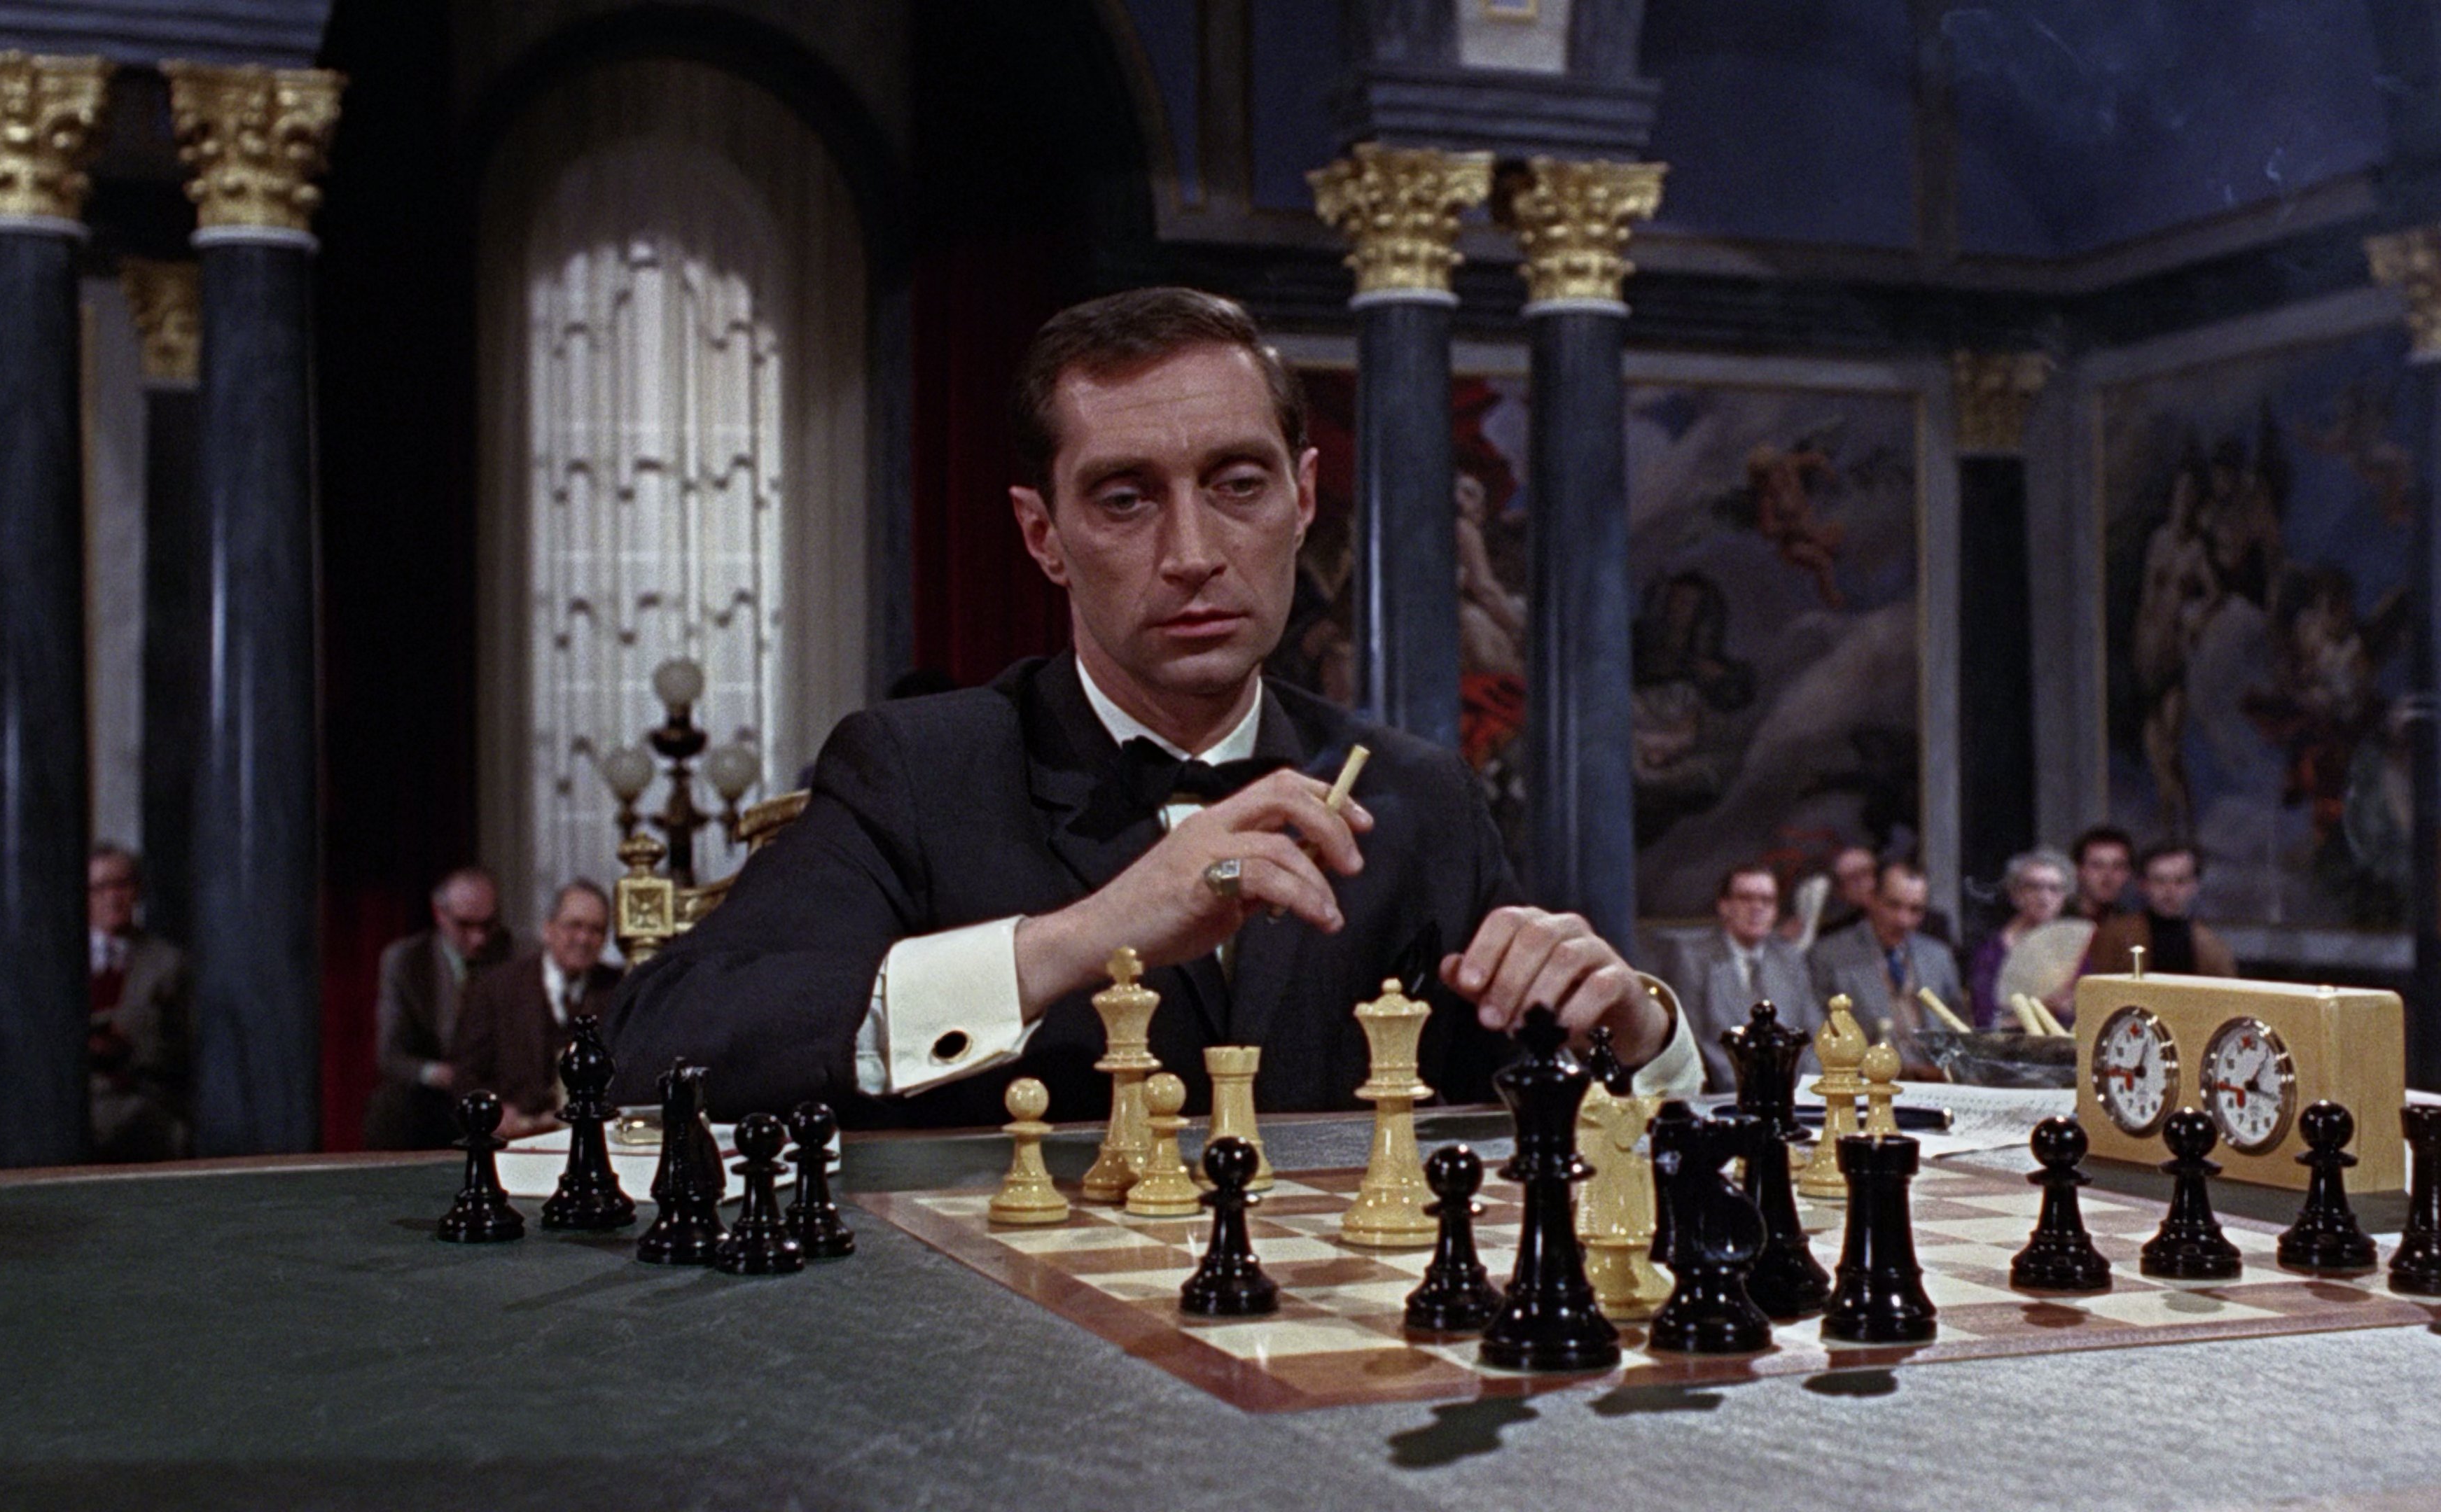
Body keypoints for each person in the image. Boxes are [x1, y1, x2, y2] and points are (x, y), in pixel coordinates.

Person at [604, 286, 1701, 1127]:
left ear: (1302, 500)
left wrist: (1626, 1026)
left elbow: (1536, 1127)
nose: (1192, 554)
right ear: (1043, 536)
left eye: (1238, 485)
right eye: (1126, 499)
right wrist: (1083, 938)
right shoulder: (916, 772)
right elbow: (656, 1046)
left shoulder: (1418, 795)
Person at [452, 880, 619, 1140]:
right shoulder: (495, 988)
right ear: (548, 929)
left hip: (592, 1140)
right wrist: (495, 1111)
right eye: (574, 926)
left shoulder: (618, 989)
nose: (584, 939)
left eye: (596, 929)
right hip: (514, 1141)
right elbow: (466, 1075)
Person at [363, 866, 510, 1150]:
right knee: (393, 1108)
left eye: (487, 925)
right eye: (465, 925)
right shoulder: (406, 961)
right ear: (439, 914)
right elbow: (391, 1056)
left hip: (492, 1091)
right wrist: (440, 1074)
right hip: (429, 1101)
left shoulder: (510, 953)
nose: (478, 938)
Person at [1660, 863, 1819, 1093]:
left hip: (1792, 1097)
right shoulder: (1692, 959)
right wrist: (1755, 1090)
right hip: (1724, 1095)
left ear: (1776, 910)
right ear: (1724, 906)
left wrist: (1801, 1090)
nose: (1757, 908)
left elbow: (1813, 1036)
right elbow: (1692, 1042)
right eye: (1746, 898)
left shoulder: (1790, 959)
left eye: (1767, 900)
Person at [86, 844, 192, 1161]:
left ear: (138, 890)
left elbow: (190, 1044)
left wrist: (130, 1047)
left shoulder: (169, 963)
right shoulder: (57, 962)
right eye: (100, 888)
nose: (112, 897)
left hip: (144, 1102)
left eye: (122, 885)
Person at [1808, 860, 1963, 1070]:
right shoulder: (1829, 955)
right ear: (1872, 898)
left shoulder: (1938, 957)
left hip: (1932, 1079)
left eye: (1915, 910)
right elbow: (1818, 1036)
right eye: (1894, 905)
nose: (1903, 920)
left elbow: (1957, 1031)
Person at [1967, 848, 2093, 1026]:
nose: (2044, 897)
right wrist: (2045, 1007)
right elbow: (1985, 1022)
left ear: (2065, 896)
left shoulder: (2075, 951)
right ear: (2015, 893)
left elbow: (2087, 1015)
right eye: (2034, 887)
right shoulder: (1991, 953)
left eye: (2055, 889)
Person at [2082, 844, 2237, 979]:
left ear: (2194, 885)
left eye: (2180, 881)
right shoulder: (2115, 936)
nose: (2170, 890)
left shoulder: (2213, 948)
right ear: (2143, 884)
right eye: (2160, 881)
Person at [2069, 825, 2135, 927]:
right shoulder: (2056, 920)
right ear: (2079, 870)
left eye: (2118, 867)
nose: (2108, 876)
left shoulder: (2132, 925)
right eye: (2097, 866)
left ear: (2128, 873)